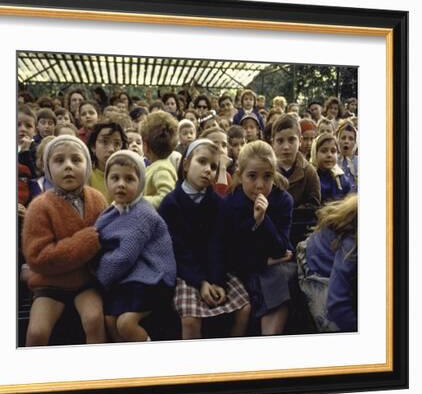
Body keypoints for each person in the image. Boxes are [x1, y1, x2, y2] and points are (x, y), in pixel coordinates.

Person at [159, 139, 251, 339]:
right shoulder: (171, 204)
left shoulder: (218, 204)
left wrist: (216, 280)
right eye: (201, 162)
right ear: (185, 165)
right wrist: (200, 282)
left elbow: (218, 245)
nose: (207, 169)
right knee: (190, 319)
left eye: (213, 166)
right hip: (185, 273)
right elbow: (177, 250)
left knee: (244, 307)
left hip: (215, 270)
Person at [21, 135, 108, 346]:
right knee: (37, 332)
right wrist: (85, 241)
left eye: (76, 160)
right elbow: (38, 257)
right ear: (48, 168)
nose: (68, 166)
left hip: (85, 282)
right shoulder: (39, 206)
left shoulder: (97, 199)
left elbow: (107, 241)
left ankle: (98, 375)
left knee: (95, 320)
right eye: (59, 161)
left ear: (87, 165)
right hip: (50, 285)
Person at [94, 150, 177, 342]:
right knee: (108, 319)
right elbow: (96, 237)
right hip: (131, 276)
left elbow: (125, 256)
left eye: (129, 179)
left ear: (140, 183)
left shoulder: (143, 214)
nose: (121, 184)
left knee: (126, 323)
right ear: (107, 181)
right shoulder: (111, 211)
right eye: (114, 178)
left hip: (154, 276)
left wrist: (98, 276)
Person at [223, 141, 296, 335]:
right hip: (245, 268)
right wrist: (265, 259)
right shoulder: (231, 203)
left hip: (275, 268)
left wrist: (263, 221)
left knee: (279, 275)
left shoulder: (282, 200)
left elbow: (282, 248)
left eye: (267, 176)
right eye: (252, 176)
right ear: (240, 175)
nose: (260, 185)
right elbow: (231, 253)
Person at [296, 195, 358, 332]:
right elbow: (337, 304)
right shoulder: (350, 245)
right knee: (333, 326)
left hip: (330, 254)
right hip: (314, 267)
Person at [272, 114, 321, 209]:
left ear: (300, 141)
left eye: (291, 140)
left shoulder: (309, 172)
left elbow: (313, 205)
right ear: (272, 142)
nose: (286, 147)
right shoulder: (266, 170)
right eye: (280, 141)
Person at [141, 111, 179, 209]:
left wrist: (138, 201)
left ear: (145, 146)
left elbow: (166, 198)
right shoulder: (156, 166)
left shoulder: (161, 168)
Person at [87, 121, 128, 202]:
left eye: (117, 144)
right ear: (93, 147)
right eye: (104, 142)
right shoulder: (87, 175)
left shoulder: (128, 175)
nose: (111, 149)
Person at [310, 134, 352, 203]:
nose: (329, 155)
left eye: (333, 151)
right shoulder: (309, 176)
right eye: (324, 151)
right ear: (315, 153)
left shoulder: (342, 179)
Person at [336, 120, 358, 192]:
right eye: (343, 138)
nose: (346, 141)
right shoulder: (333, 162)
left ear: (355, 142)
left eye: (351, 139)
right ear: (338, 140)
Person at [17, 104, 39, 178]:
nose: (23, 129)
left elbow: (34, 175)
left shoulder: (37, 150)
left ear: (35, 131)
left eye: (28, 126)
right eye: (18, 124)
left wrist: (25, 152)